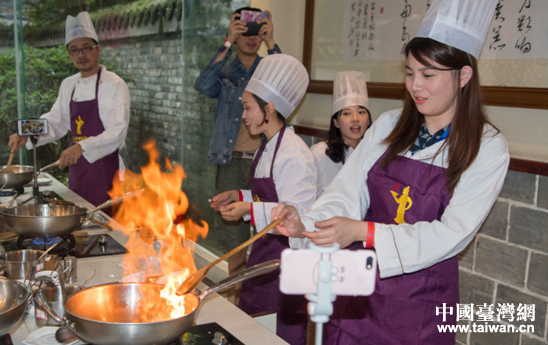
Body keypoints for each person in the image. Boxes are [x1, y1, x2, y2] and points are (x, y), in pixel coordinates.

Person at [273, 0, 509, 343]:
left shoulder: (487, 147)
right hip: (356, 295)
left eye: (428, 75)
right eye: (410, 72)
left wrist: (366, 233)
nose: (415, 86)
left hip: (420, 309)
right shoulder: (388, 125)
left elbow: (451, 234)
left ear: (464, 76)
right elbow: (346, 192)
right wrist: (306, 224)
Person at [210, 54, 315, 345]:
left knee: (278, 333)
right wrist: (239, 196)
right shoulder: (266, 147)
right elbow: (268, 196)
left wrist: (249, 208)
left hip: (287, 262)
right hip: (264, 256)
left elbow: (299, 214)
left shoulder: (294, 152)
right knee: (253, 329)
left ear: (268, 108)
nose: (243, 116)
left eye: (247, 108)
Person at [194, 7, 281, 281]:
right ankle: (237, 300)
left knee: (269, 231)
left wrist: (272, 43)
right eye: (243, 30)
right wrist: (226, 42)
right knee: (234, 239)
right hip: (229, 163)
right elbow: (202, 86)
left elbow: (286, 84)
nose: (250, 36)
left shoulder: (267, 69)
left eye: (256, 30)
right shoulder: (224, 70)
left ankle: (258, 300)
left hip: (263, 162)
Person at [8, 12, 130, 207]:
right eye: (74, 50)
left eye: (86, 48)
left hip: (107, 174)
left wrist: (82, 146)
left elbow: (117, 132)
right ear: (70, 54)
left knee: (108, 230)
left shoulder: (114, 84)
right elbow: (56, 121)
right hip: (78, 172)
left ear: (97, 49)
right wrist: (27, 134)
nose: (81, 55)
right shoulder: (69, 84)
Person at [310, 71, 371, 197]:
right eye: (347, 113)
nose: (355, 119)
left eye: (361, 112)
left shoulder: (373, 154)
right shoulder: (319, 153)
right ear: (336, 122)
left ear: (369, 120)